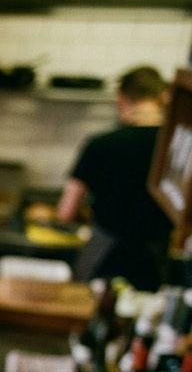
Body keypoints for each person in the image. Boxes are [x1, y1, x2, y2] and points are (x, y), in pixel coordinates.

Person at [58, 66, 172, 292]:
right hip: (153, 261)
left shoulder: (102, 143)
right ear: (162, 98)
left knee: (88, 315)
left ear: (121, 99)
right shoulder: (175, 147)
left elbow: (66, 211)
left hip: (104, 256)